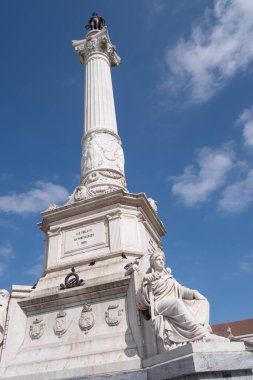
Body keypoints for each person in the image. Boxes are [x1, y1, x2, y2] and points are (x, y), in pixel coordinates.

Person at [137, 251, 226, 348]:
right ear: (153, 262)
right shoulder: (149, 278)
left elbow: (181, 290)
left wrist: (194, 293)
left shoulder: (169, 277)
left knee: (202, 302)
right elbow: (142, 301)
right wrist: (148, 282)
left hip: (172, 302)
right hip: (159, 305)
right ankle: (201, 335)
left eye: (163, 260)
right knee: (177, 303)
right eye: (159, 259)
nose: (162, 261)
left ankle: (200, 331)